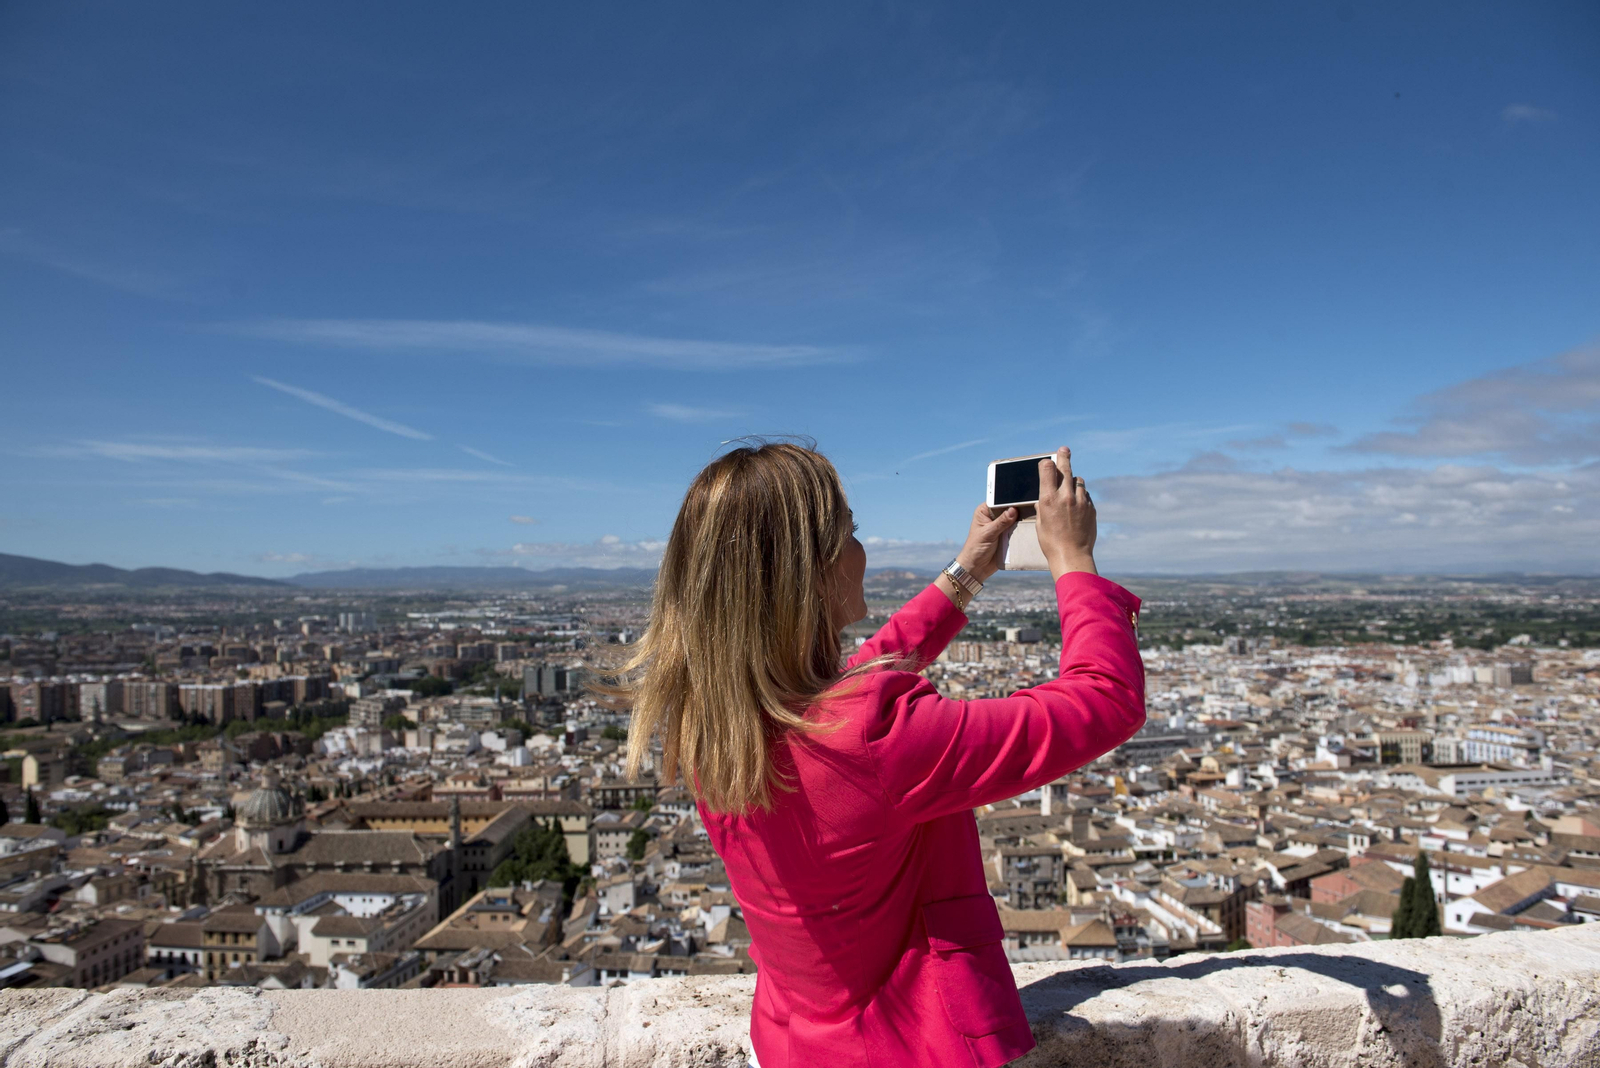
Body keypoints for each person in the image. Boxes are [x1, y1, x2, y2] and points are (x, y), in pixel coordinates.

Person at [611, 441, 1145, 1068]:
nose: (863, 551)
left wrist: (968, 571)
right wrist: (1074, 560)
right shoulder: (872, 739)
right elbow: (1106, 698)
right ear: (812, 570)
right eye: (851, 532)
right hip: (910, 1046)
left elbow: (848, 691)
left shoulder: (715, 724)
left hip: (793, 1044)